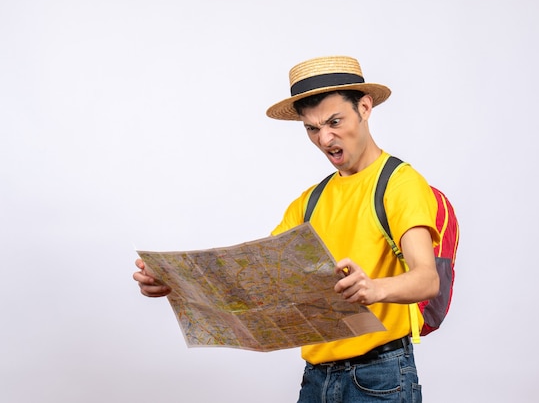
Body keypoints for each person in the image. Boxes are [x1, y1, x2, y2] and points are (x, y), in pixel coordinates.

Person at [133, 55, 441, 402]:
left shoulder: (400, 184)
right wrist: (173, 283)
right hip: (316, 379)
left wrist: (375, 288)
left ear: (365, 107)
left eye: (334, 121)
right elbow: (256, 281)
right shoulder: (307, 203)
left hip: (380, 376)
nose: (325, 139)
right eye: (312, 128)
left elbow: (427, 279)